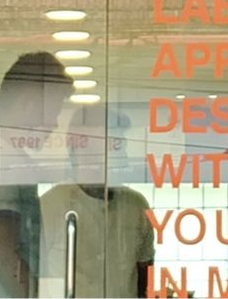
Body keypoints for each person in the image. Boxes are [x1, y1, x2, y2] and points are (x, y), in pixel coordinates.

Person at [0, 51, 73, 298]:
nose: (55, 124)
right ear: (27, 103)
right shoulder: (1, 159)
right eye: (53, 111)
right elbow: (4, 255)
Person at [38, 104, 155, 298]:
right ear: (79, 150)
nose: (120, 153)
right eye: (111, 145)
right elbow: (35, 278)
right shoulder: (50, 205)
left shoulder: (136, 205)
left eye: (119, 145)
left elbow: (145, 274)